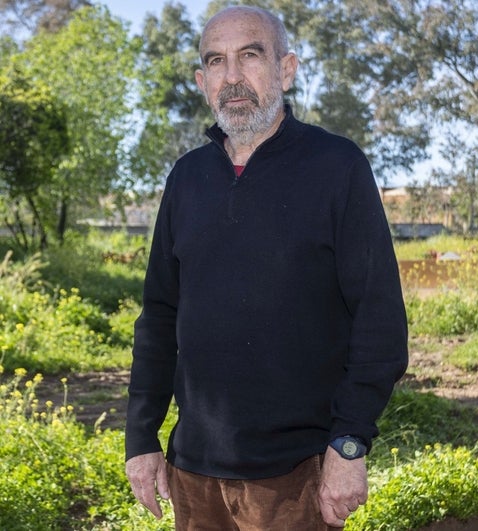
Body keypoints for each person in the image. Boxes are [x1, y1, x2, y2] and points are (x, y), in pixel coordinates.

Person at [124, 5, 408, 530]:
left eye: (250, 56)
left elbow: (379, 318)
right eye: (216, 61)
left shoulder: (337, 167)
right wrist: (141, 438)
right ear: (201, 80)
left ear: (286, 69)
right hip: (193, 472)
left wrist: (349, 442)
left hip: (297, 475)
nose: (232, 77)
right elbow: (159, 317)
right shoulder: (186, 179)